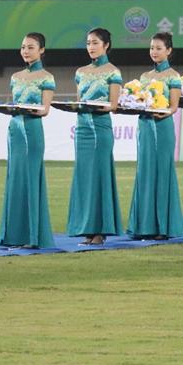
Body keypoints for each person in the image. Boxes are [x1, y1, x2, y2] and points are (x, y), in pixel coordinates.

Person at [66, 28, 124, 245]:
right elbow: (79, 100)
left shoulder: (113, 72)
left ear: (106, 45)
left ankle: (100, 230)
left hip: (100, 129)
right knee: (84, 178)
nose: (91, 47)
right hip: (82, 129)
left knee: (99, 177)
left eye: (95, 43)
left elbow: (114, 105)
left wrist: (95, 107)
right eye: (88, 43)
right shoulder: (80, 72)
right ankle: (86, 229)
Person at [0, 33, 56, 249]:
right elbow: (14, 104)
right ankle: (14, 237)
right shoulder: (15, 77)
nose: (25, 51)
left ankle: (33, 237)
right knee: (15, 181)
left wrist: (25, 109)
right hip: (14, 131)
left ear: (41, 50)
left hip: (32, 131)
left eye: (31, 47)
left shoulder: (46, 77)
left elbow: (44, 110)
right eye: (23, 47)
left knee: (31, 181)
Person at [125, 32, 183, 240]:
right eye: (152, 48)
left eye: (159, 48)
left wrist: (163, 112)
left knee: (162, 172)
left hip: (162, 125)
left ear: (169, 50)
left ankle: (163, 227)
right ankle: (144, 226)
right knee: (145, 172)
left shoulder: (173, 76)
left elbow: (174, 107)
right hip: (145, 126)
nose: (154, 52)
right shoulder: (144, 77)